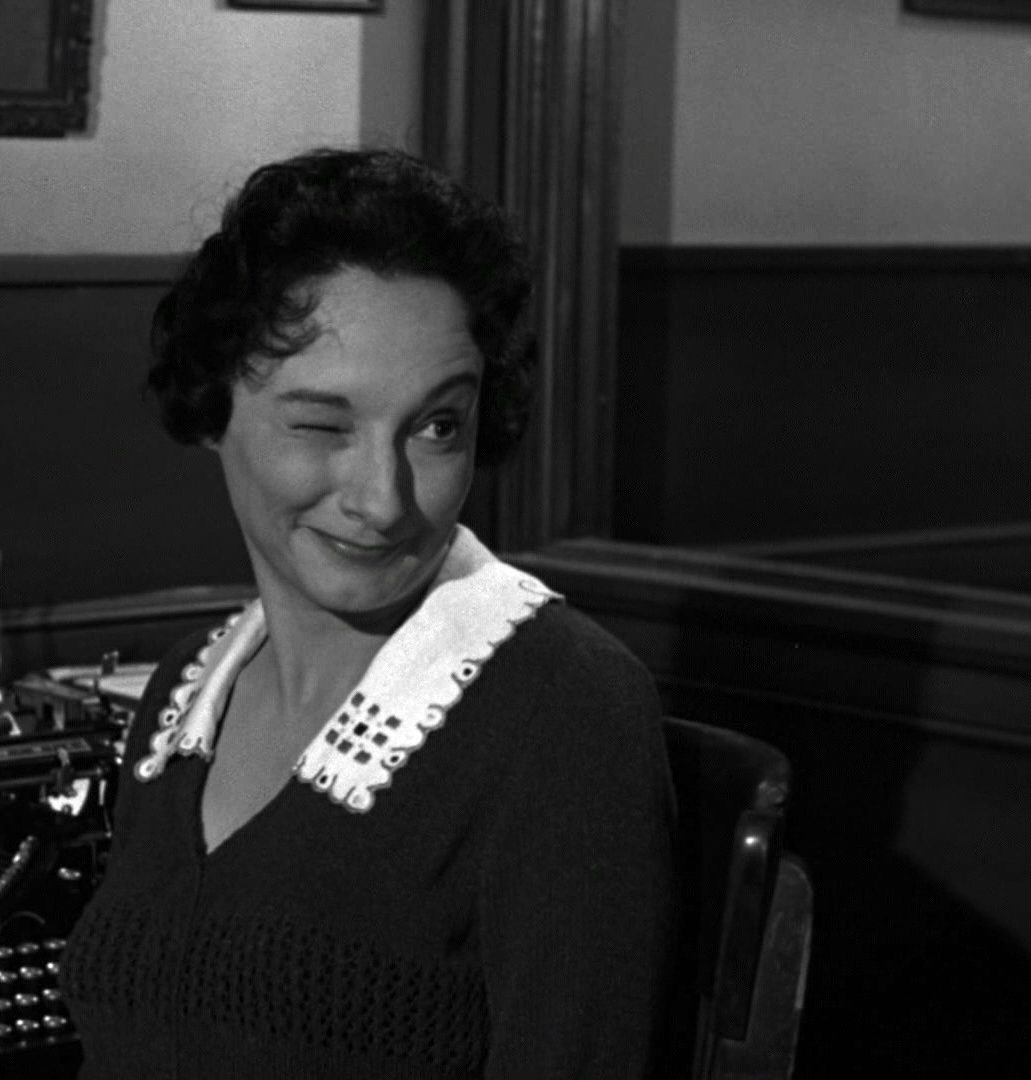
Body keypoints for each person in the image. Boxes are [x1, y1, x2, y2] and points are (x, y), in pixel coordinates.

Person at [58, 147, 676, 1079]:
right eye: (323, 425)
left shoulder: (567, 709)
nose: (383, 500)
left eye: (437, 427)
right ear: (215, 407)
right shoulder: (186, 693)